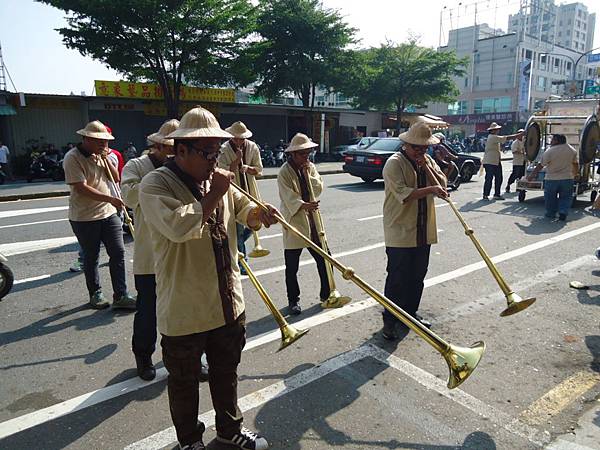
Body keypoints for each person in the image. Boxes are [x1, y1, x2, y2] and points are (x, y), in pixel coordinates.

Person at [139, 106, 276, 450]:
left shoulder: (215, 180)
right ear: (180, 149)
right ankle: (189, 442)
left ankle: (229, 431)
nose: (214, 159)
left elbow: (242, 212)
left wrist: (259, 214)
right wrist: (215, 192)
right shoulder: (155, 184)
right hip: (184, 307)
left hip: (227, 300)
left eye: (217, 151)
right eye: (206, 152)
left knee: (226, 373)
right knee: (184, 381)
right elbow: (178, 226)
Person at [121, 119, 181, 381]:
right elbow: (129, 197)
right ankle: (143, 356)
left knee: (180, 310)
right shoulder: (137, 166)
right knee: (148, 310)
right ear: (155, 145)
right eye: (168, 147)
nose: (173, 152)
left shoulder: (184, 167)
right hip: (150, 252)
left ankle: (180, 358)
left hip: (179, 251)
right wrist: (158, 177)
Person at [381, 122, 448, 340]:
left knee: (417, 276)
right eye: (416, 147)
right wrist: (431, 189)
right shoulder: (394, 163)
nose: (420, 151)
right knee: (397, 278)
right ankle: (389, 321)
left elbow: (443, 185)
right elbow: (404, 193)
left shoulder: (427, 160)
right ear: (406, 144)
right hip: (400, 230)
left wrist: (428, 169)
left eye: (424, 148)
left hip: (422, 229)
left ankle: (410, 314)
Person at [62, 121, 136, 310]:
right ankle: (95, 293)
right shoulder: (73, 158)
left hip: (108, 213)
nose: (104, 145)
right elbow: (80, 187)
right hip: (84, 217)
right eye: (99, 141)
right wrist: (110, 199)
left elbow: (116, 178)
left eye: (106, 141)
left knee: (118, 253)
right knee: (91, 256)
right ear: (86, 139)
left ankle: (121, 294)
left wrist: (106, 160)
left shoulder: (102, 155)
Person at [278, 133, 349, 315]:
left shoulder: (309, 167)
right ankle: (293, 300)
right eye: (302, 154)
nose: (306, 157)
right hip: (295, 221)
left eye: (308, 153)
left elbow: (318, 188)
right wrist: (303, 205)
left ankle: (327, 295)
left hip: (314, 221)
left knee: (326, 259)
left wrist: (308, 173)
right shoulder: (284, 172)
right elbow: (288, 197)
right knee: (292, 266)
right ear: (293, 154)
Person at [217, 121, 263, 274]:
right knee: (237, 227)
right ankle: (242, 264)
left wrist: (249, 168)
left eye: (241, 138)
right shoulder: (223, 149)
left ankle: (236, 246)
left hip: (250, 193)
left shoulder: (252, 147)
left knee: (253, 225)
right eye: (236, 138)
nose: (239, 141)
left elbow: (259, 169)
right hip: (233, 193)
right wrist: (236, 162)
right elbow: (221, 172)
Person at [527, 134, 578, 221]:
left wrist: (532, 175)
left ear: (557, 141)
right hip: (567, 178)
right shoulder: (572, 150)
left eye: (552, 140)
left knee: (550, 197)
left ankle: (551, 214)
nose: (551, 142)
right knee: (566, 197)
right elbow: (575, 164)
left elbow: (541, 165)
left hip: (552, 179)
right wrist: (575, 174)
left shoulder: (550, 151)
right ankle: (563, 212)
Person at [481, 123, 523, 201]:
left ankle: (496, 194)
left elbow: (502, 141)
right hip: (490, 161)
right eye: (496, 129)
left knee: (498, 178)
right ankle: (486, 194)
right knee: (489, 178)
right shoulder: (492, 137)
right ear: (492, 130)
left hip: (495, 161)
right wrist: (518, 135)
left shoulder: (494, 138)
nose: (498, 130)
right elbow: (506, 138)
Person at [505, 129, 526, 193]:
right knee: (515, 174)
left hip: (523, 160)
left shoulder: (524, 141)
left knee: (521, 175)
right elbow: (514, 151)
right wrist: (521, 152)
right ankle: (508, 185)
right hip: (517, 161)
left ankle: (519, 187)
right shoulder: (515, 142)